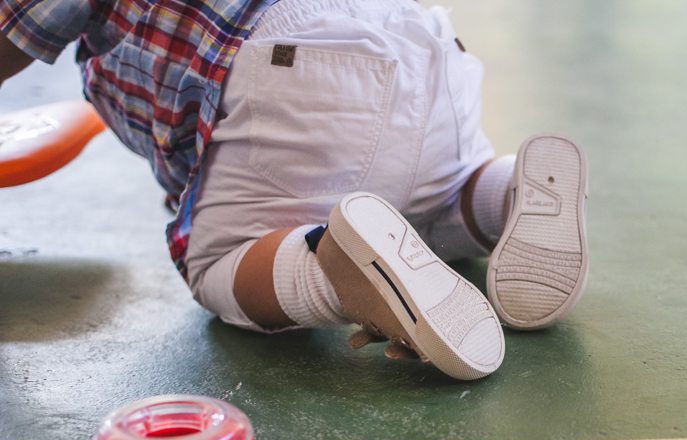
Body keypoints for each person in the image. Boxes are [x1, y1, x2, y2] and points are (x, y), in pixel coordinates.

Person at [0, 0, 588, 380]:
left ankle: (333, 266)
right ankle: (504, 192)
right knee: (435, 193)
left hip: (295, 59)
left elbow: (14, 35)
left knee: (216, 262)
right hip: (423, 43)